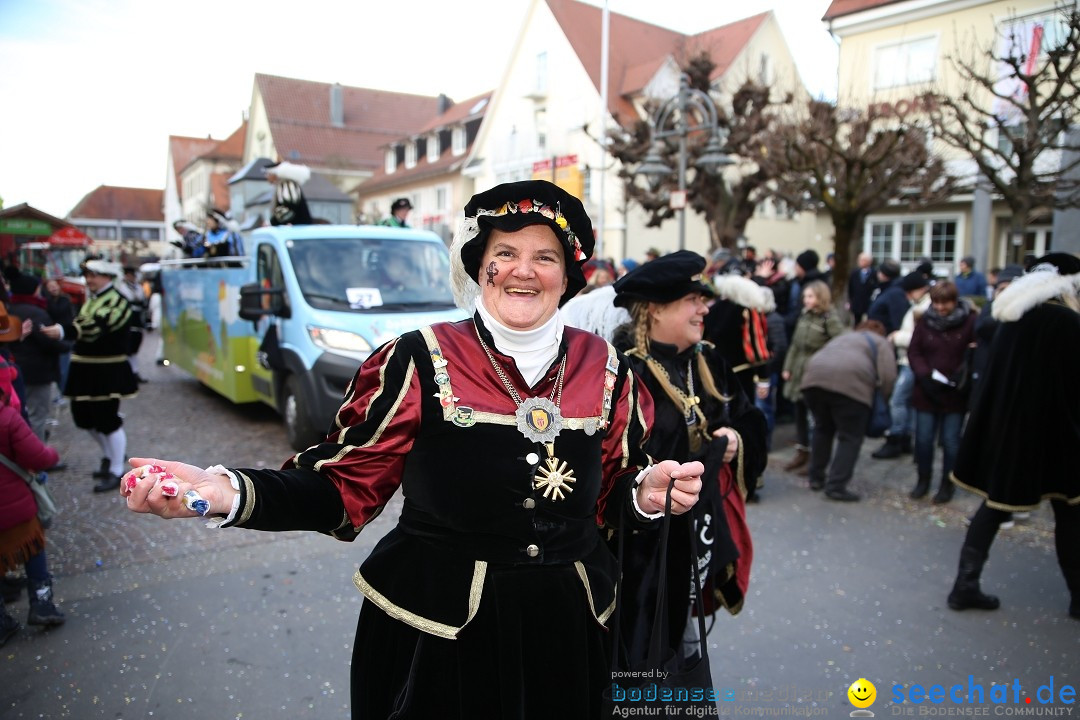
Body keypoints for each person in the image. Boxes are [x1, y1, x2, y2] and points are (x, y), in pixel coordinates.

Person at [120, 180, 704, 719]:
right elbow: (344, 484)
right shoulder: (418, 357)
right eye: (505, 253)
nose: (523, 271)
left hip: (570, 631)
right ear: (480, 266)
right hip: (441, 635)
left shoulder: (604, 366)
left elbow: (612, 490)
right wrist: (230, 493)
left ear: (568, 274)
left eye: (545, 256)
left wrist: (645, 496)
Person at [611, 250, 766, 665]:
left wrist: (735, 440)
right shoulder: (624, 373)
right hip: (642, 550)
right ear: (656, 310)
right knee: (641, 645)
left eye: (703, 300)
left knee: (680, 636)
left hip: (696, 531)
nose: (704, 309)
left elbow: (751, 419)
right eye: (692, 301)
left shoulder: (708, 358)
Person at [948, 253, 1080, 619]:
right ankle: (1078, 596)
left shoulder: (1013, 319)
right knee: (1070, 512)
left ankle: (964, 585)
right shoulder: (1067, 322)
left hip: (1011, 432)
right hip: (1057, 435)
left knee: (994, 506)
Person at [0, 308, 65, 645]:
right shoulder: (8, 418)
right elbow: (37, 454)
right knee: (32, 548)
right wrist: (51, 456)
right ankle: (41, 601)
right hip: (16, 504)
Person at [800, 320, 896, 501]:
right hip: (851, 389)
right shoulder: (880, 342)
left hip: (813, 381)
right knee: (850, 436)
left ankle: (816, 477)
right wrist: (883, 400)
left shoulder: (844, 336)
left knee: (822, 428)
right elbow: (888, 375)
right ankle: (836, 485)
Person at [64, 260, 137, 493]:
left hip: (107, 369)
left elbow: (95, 328)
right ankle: (110, 455)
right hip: (84, 367)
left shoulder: (118, 301)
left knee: (107, 418)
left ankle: (117, 469)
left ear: (108, 276)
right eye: (88, 275)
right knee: (83, 417)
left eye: (94, 275)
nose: (89, 279)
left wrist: (62, 331)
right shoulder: (92, 299)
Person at [906, 280, 976, 503]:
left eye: (944, 303)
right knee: (924, 439)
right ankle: (923, 480)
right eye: (936, 302)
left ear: (954, 302)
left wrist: (960, 374)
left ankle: (948, 484)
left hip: (955, 392)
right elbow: (914, 351)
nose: (939, 308)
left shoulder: (969, 322)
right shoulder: (925, 321)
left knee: (951, 440)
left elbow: (974, 352)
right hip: (927, 390)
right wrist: (925, 375)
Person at [781, 280, 846, 475]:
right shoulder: (805, 316)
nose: (805, 300)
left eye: (810, 296)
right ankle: (802, 452)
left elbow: (839, 344)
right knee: (799, 415)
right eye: (805, 296)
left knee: (814, 419)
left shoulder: (829, 319)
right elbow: (795, 345)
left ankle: (816, 460)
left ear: (820, 298)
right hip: (798, 371)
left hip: (815, 373)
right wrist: (788, 367)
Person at [6, 273, 66, 442]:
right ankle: (37, 462)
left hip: (17, 369)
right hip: (36, 371)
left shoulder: (10, 309)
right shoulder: (35, 312)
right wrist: (67, 344)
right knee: (36, 416)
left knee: (24, 414)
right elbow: (48, 341)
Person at [117, 266, 148, 383]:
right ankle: (127, 373)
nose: (132, 277)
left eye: (133, 275)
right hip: (127, 320)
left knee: (135, 347)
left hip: (137, 321)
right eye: (130, 275)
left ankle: (134, 372)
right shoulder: (121, 288)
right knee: (127, 348)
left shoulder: (139, 288)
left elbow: (143, 302)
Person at [266, 161, 314, 226]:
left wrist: (271, 223)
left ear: (275, 174)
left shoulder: (287, 185)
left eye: (268, 174)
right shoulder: (283, 184)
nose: (266, 177)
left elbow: (289, 208)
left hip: (298, 229)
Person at [847, 252, 878, 324]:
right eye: (859, 260)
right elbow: (850, 288)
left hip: (869, 302)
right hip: (857, 302)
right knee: (857, 321)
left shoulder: (874, 273)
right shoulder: (854, 273)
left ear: (869, 262)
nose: (860, 262)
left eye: (863, 260)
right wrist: (850, 300)